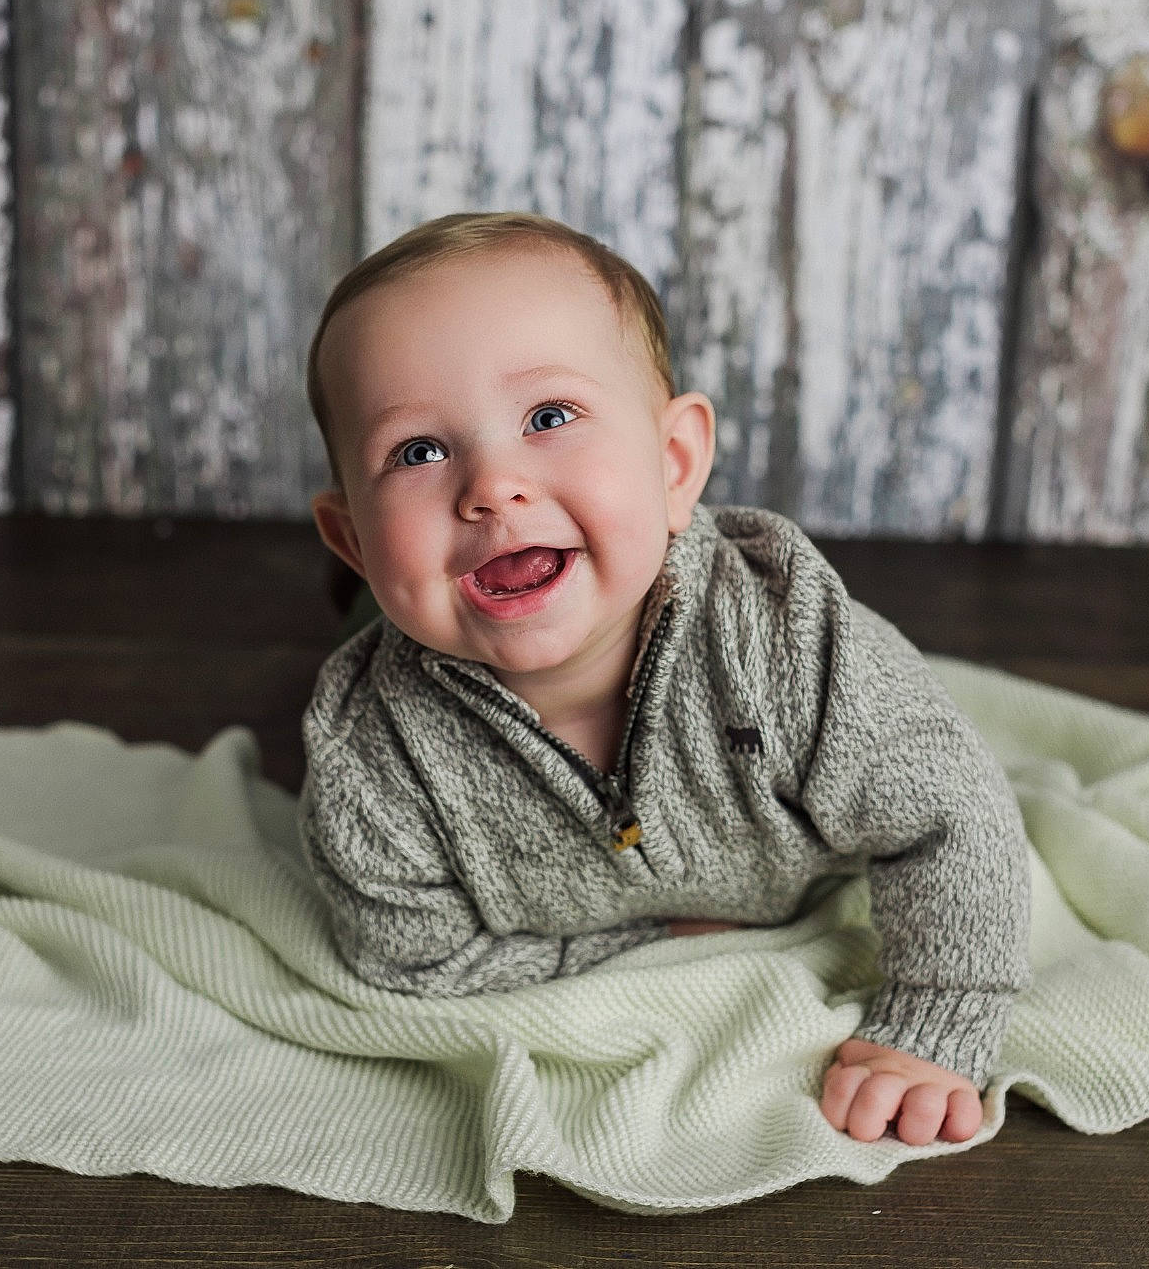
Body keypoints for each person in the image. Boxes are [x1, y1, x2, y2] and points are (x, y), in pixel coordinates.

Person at [298, 211, 1032, 1147]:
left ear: (675, 462)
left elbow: (951, 816)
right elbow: (409, 953)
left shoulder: (790, 647)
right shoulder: (374, 759)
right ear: (355, 536)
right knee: (388, 617)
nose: (490, 484)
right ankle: (358, 592)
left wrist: (937, 1021)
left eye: (549, 417)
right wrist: (645, 940)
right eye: (419, 451)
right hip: (407, 610)